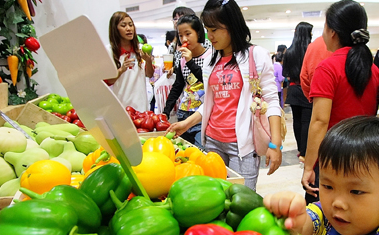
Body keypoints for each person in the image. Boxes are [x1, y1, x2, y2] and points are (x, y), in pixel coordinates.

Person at [166, 0, 283, 191]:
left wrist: (275, 144)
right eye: (207, 30)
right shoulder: (212, 60)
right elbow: (211, 103)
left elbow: (271, 100)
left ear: (231, 25)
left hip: (242, 146)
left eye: (214, 30)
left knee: (240, 197)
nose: (209, 36)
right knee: (216, 198)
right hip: (212, 141)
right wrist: (186, 124)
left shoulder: (256, 55)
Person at [302, 0, 379, 204]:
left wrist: (309, 167)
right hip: (364, 155)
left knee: (323, 216)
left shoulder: (327, 68)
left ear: (333, 32)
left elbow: (320, 121)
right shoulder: (373, 70)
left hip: (333, 157)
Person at [162, 15, 210, 147]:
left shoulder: (210, 56)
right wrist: (166, 111)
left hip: (202, 115)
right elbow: (178, 86)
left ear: (199, 33)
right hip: (184, 113)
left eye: (188, 34)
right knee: (184, 151)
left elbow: (207, 81)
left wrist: (190, 62)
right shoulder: (182, 59)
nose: (184, 39)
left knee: (200, 152)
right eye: (180, 35)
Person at [105, 12, 154, 112]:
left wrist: (148, 61)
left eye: (131, 25)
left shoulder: (140, 49)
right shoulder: (110, 51)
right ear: (115, 29)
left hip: (141, 107)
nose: (129, 28)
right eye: (123, 25)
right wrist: (121, 70)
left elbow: (149, 74)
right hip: (121, 107)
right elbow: (108, 81)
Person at [282, 21, 313, 164]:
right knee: (307, 121)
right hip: (308, 88)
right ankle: (306, 151)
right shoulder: (311, 50)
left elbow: (285, 73)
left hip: (294, 88)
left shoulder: (289, 51)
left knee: (297, 121)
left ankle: (300, 149)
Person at [300, 36, 332, 100]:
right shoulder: (351, 42)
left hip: (317, 95)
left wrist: (311, 96)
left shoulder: (313, 45)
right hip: (347, 98)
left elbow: (304, 77)